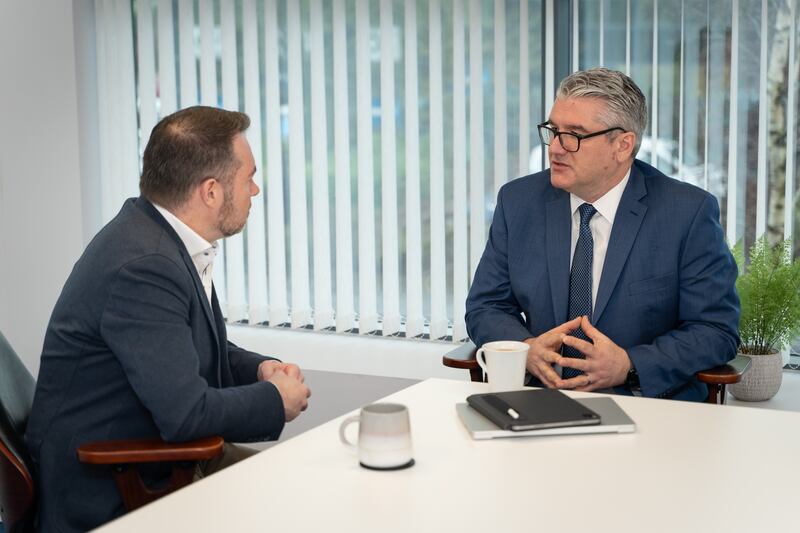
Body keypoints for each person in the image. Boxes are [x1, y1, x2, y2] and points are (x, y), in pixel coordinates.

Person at [25, 106, 311, 532]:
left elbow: (187, 346)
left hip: (158, 461)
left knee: (306, 487)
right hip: (119, 488)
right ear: (211, 191)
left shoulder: (155, 235)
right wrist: (275, 400)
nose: (255, 189)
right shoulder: (145, 265)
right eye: (248, 177)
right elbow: (186, 415)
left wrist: (258, 370)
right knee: (301, 509)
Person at [465, 68, 740, 402]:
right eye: (554, 131)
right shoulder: (519, 202)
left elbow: (715, 330)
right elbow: (486, 306)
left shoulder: (686, 213)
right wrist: (526, 348)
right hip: (540, 403)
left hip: (646, 407)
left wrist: (629, 364)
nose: (556, 148)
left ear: (622, 146)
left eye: (574, 135)